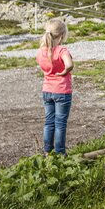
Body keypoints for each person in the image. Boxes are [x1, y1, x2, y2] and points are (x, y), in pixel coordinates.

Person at [36, 18, 74, 155]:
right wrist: (65, 71)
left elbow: (42, 66)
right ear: (62, 35)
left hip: (47, 90)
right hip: (62, 91)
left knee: (49, 122)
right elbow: (69, 64)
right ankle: (60, 153)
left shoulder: (41, 51)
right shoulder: (61, 50)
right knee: (60, 124)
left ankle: (47, 151)